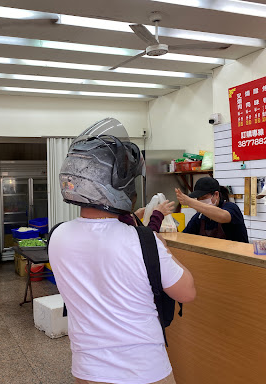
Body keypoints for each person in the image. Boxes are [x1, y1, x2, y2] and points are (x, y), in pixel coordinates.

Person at [48, 118, 196, 384]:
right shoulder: (141, 240)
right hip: (145, 370)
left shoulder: (57, 235)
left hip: (87, 370)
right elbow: (187, 292)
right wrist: (161, 247)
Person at [176, 177, 248, 243]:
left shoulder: (231, 207)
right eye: (198, 198)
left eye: (204, 197)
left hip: (236, 255)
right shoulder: (199, 217)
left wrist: (190, 202)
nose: (201, 201)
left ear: (216, 194)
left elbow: (223, 216)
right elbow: (184, 237)